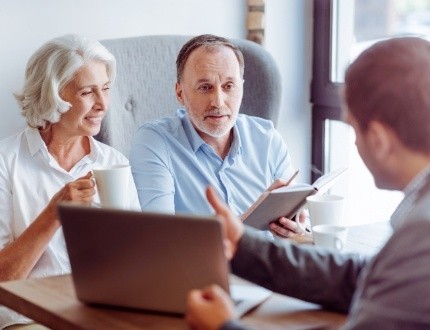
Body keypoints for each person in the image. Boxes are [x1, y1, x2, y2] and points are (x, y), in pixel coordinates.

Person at [185, 37, 430, 329]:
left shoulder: (421, 233)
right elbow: (362, 278)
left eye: (353, 129)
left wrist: (223, 326)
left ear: (378, 140)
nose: (354, 142)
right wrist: (243, 245)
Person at [0, 34, 140, 328]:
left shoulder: (114, 164)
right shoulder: (6, 161)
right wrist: (54, 213)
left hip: (101, 314)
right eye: (88, 92)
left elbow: (137, 263)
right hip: (30, 319)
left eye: (106, 89)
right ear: (52, 95)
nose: (103, 104)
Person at [130, 34, 305, 237]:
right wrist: (254, 218)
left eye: (228, 86)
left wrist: (297, 228)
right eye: (205, 88)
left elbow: (299, 228)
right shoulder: (154, 142)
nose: (218, 102)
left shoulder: (267, 137)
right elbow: (160, 238)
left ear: (241, 87)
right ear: (180, 93)